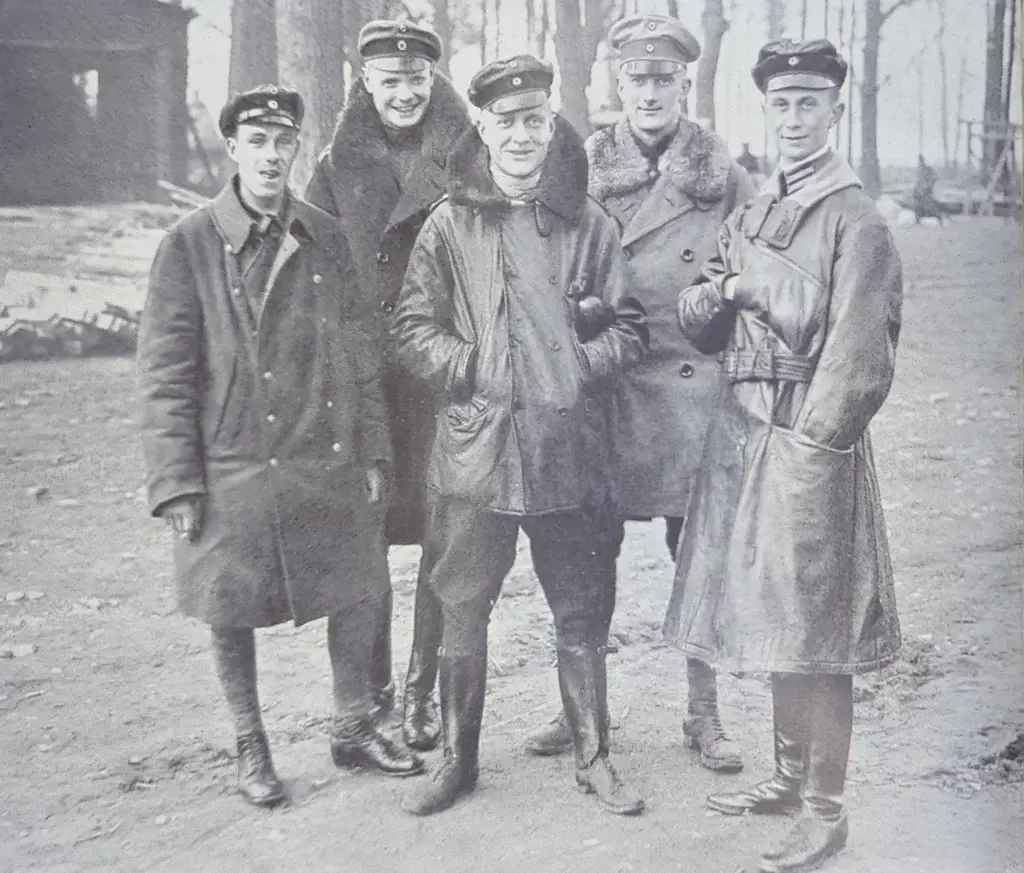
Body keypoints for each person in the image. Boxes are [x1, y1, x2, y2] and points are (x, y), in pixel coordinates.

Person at [138, 85, 425, 809]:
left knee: (360, 582)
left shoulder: (323, 234)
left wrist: (374, 453)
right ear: (234, 148)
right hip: (231, 458)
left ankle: (354, 722)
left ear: (297, 148)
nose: (271, 155)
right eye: (257, 141)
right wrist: (177, 482)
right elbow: (165, 375)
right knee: (227, 600)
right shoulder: (189, 245)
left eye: (283, 141)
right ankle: (249, 740)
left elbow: (361, 354)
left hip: (321, 450)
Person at [663, 39, 903, 873]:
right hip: (740, 431)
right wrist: (727, 288)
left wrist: (815, 446)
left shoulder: (856, 221)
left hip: (804, 435)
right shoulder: (754, 213)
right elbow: (694, 316)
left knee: (816, 631)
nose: (793, 118)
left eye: (809, 104)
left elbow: (861, 358)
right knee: (770, 615)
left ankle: (827, 813)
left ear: (835, 111)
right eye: (781, 104)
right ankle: (785, 778)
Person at [391, 56, 649, 817]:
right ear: (483, 127)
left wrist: (576, 363)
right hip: (475, 453)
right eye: (507, 122)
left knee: (582, 606)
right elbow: (410, 328)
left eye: (535, 119)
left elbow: (632, 329)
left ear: (552, 121)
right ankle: (458, 761)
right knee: (462, 605)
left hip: (568, 452)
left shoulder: (590, 221)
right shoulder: (448, 221)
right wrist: (471, 366)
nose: (523, 135)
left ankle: (594, 755)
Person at [524, 14, 754, 775]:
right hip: (606, 389)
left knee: (700, 554)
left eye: (663, 79)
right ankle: (581, 707)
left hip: (692, 389)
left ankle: (704, 711)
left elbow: (750, 279)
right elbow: (549, 266)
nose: (649, 92)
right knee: (590, 554)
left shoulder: (720, 174)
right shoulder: (578, 168)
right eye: (636, 79)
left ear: (685, 84)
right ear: (616, 86)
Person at [306, 21, 472, 751]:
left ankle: (420, 693)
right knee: (359, 539)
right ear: (364, 83)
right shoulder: (333, 166)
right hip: (367, 386)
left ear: (433, 80)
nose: (404, 94)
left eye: (416, 79)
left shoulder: (473, 155)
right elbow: (311, 274)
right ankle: (364, 699)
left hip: (440, 379)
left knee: (446, 536)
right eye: (388, 80)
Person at [912, 154, 944, 224]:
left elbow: (935, 177)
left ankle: (939, 218)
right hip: (920, 191)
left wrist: (929, 184)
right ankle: (918, 219)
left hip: (926, 190)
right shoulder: (919, 168)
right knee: (918, 205)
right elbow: (918, 180)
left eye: (921, 159)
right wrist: (917, 187)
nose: (920, 161)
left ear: (923, 160)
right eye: (919, 160)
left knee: (931, 204)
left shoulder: (928, 168)